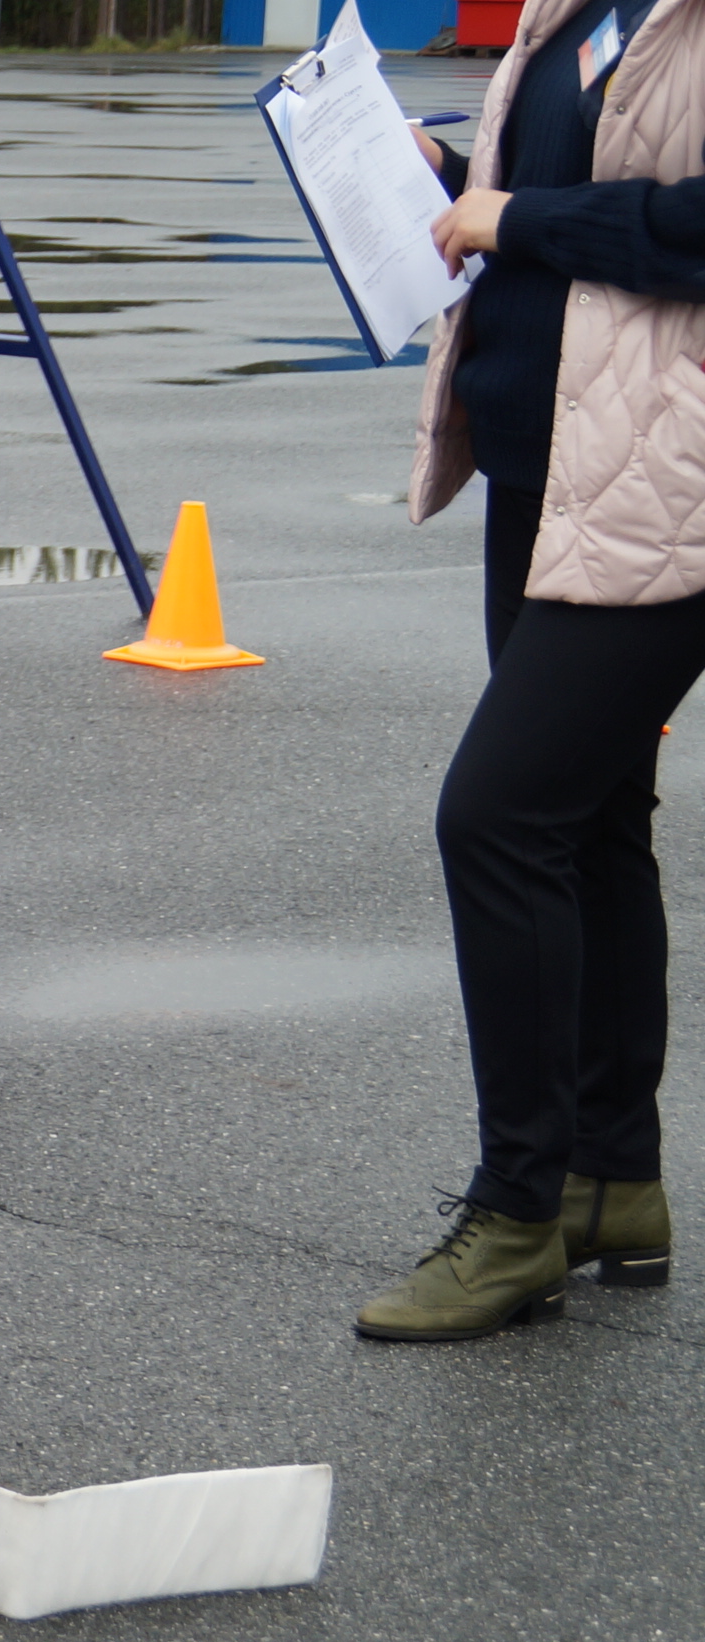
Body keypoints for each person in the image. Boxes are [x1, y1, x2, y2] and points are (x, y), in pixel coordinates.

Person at [356, 4, 691, 1338]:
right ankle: (615, 1178)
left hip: (669, 483)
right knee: (593, 820)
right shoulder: (576, 10)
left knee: (496, 817)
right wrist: (446, 188)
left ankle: (517, 1215)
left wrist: (521, 222)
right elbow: (553, 179)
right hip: (551, 469)